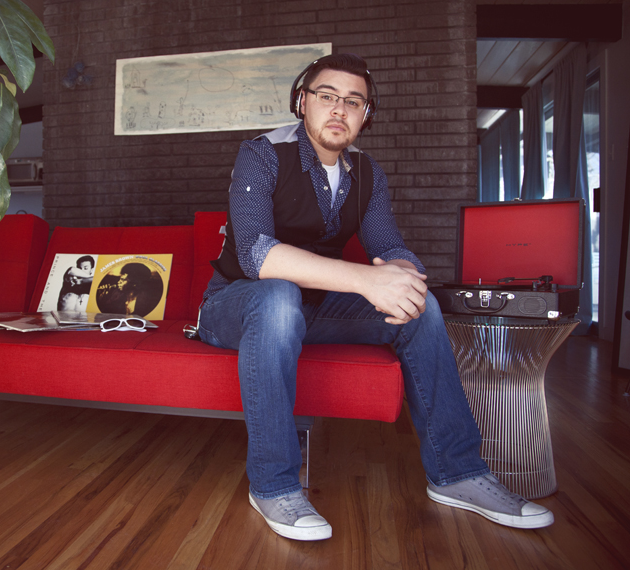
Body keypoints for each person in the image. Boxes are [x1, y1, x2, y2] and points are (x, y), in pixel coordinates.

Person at [197, 53, 554, 541]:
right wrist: (365, 280)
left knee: (417, 307)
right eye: (327, 96)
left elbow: (389, 247)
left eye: (353, 101)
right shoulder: (261, 153)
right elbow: (258, 255)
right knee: (278, 294)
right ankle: (273, 485)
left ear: (366, 114)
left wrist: (404, 277)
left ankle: (458, 473)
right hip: (234, 305)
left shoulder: (367, 174)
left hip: (313, 308)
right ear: (303, 103)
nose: (339, 109)